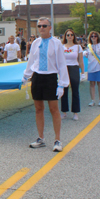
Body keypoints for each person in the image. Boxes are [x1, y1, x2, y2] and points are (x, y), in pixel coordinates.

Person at [22, 17, 69, 152]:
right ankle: (41, 138)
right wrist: (26, 75)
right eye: (39, 26)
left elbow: (61, 63)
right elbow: (31, 61)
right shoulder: (36, 43)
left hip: (50, 77)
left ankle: (57, 139)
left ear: (50, 28)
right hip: (37, 77)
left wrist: (62, 84)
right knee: (38, 108)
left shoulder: (56, 43)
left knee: (54, 109)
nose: (41, 28)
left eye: (44, 26)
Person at [60, 29, 85, 121]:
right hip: (64, 69)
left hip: (74, 68)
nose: (70, 36)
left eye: (71, 35)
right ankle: (64, 111)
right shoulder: (62, 47)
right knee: (64, 91)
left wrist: (82, 72)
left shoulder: (78, 47)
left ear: (74, 36)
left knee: (75, 90)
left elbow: (81, 61)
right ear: (65, 37)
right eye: (68, 35)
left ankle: (75, 112)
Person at [83, 31, 100, 107]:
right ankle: (92, 100)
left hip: (99, 67)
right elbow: (87, 54)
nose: (93, 38)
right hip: (91, 67)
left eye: (95, 36)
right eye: (92, 36)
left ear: (98, 37)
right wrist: (85, 53)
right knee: (92, 84)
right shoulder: (89, 46)